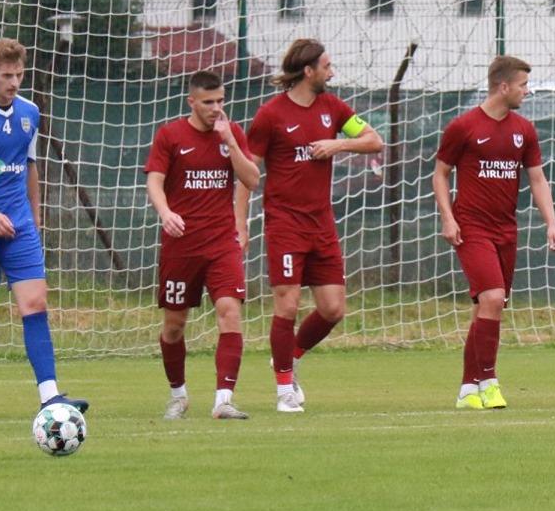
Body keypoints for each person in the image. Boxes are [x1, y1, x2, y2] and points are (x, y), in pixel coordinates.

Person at [0, 38, 85, 420]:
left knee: (35, 304)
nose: (14, 82)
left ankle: (50, 396)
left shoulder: (29, 113)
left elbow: (31, 167)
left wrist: (35, 222)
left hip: (21, 226)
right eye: (7, 75)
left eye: (19, 75)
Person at [242, 39, 383, 413]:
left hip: (322, 223)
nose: (332, 72)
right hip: (285, 224)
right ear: (309, 71)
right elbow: (247, 173)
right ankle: (285, 390)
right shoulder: (271, 115)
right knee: (287, 305)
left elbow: (374, 140)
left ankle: (289, 356)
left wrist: (337, 146)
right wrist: (240, 224)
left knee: (333, 309)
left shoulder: (332, 107)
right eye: (327, 65)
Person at [433, 55, 555, 410]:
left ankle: (466, 390)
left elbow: (537, 178)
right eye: (523, 85)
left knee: (486, 308)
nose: (528, 91)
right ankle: (489, 381)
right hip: (472, 228)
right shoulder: (464, 127)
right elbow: (440, 174)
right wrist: (448, 218)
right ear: (503, 86)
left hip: (506, 230)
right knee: (491, 298)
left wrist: (551, 224)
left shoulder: (524, 130)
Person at [145, 71, 260, 420]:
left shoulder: (231, 133)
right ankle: (178, 396)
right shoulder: (171, 135)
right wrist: (165, 212)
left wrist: (232, 143)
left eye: (220, 101)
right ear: (192, 102)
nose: (216, 108)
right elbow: (155, 181)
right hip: (181, 245)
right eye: (208, 102)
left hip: (222, 243)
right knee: (174, 325)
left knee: (230, 312)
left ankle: (223, 400)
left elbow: (252, 179)